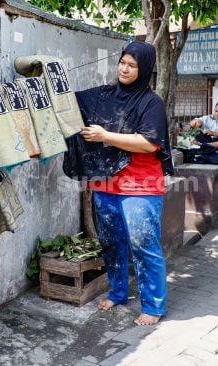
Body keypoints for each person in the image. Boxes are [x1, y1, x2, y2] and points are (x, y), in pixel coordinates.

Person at [76, 41, 174, 326]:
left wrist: (104, 135)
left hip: (140, 185)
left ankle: (154, 305)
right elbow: (69, 101)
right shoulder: (105, 95)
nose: (124, 69)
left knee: (143, 243)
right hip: (106, 183)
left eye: (132, 65)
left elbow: (148, 143)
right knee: (110, 242)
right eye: (122, 62)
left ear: (144, 70)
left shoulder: (150, 102)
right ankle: (118, 292)